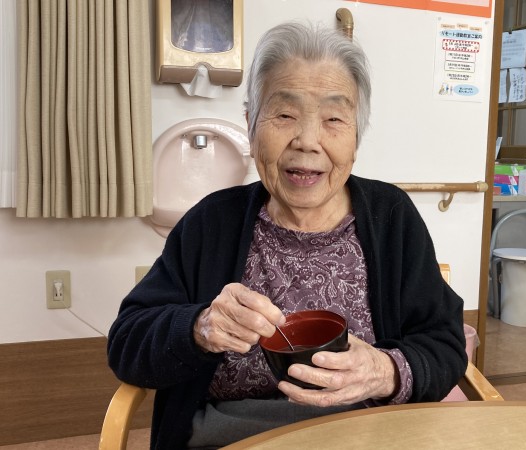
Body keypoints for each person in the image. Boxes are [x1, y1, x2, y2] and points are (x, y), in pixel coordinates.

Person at [107, 21, 467, 449]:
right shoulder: (211, 223)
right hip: (231, 438)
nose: (308, 141)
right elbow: (127, 344)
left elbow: (445, 344)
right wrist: (200, 327)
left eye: (334, 119)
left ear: (356, 136)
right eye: (284, 115)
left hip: (364, 437)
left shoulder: (392, 217)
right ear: (250, 124)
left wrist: (383, 371)